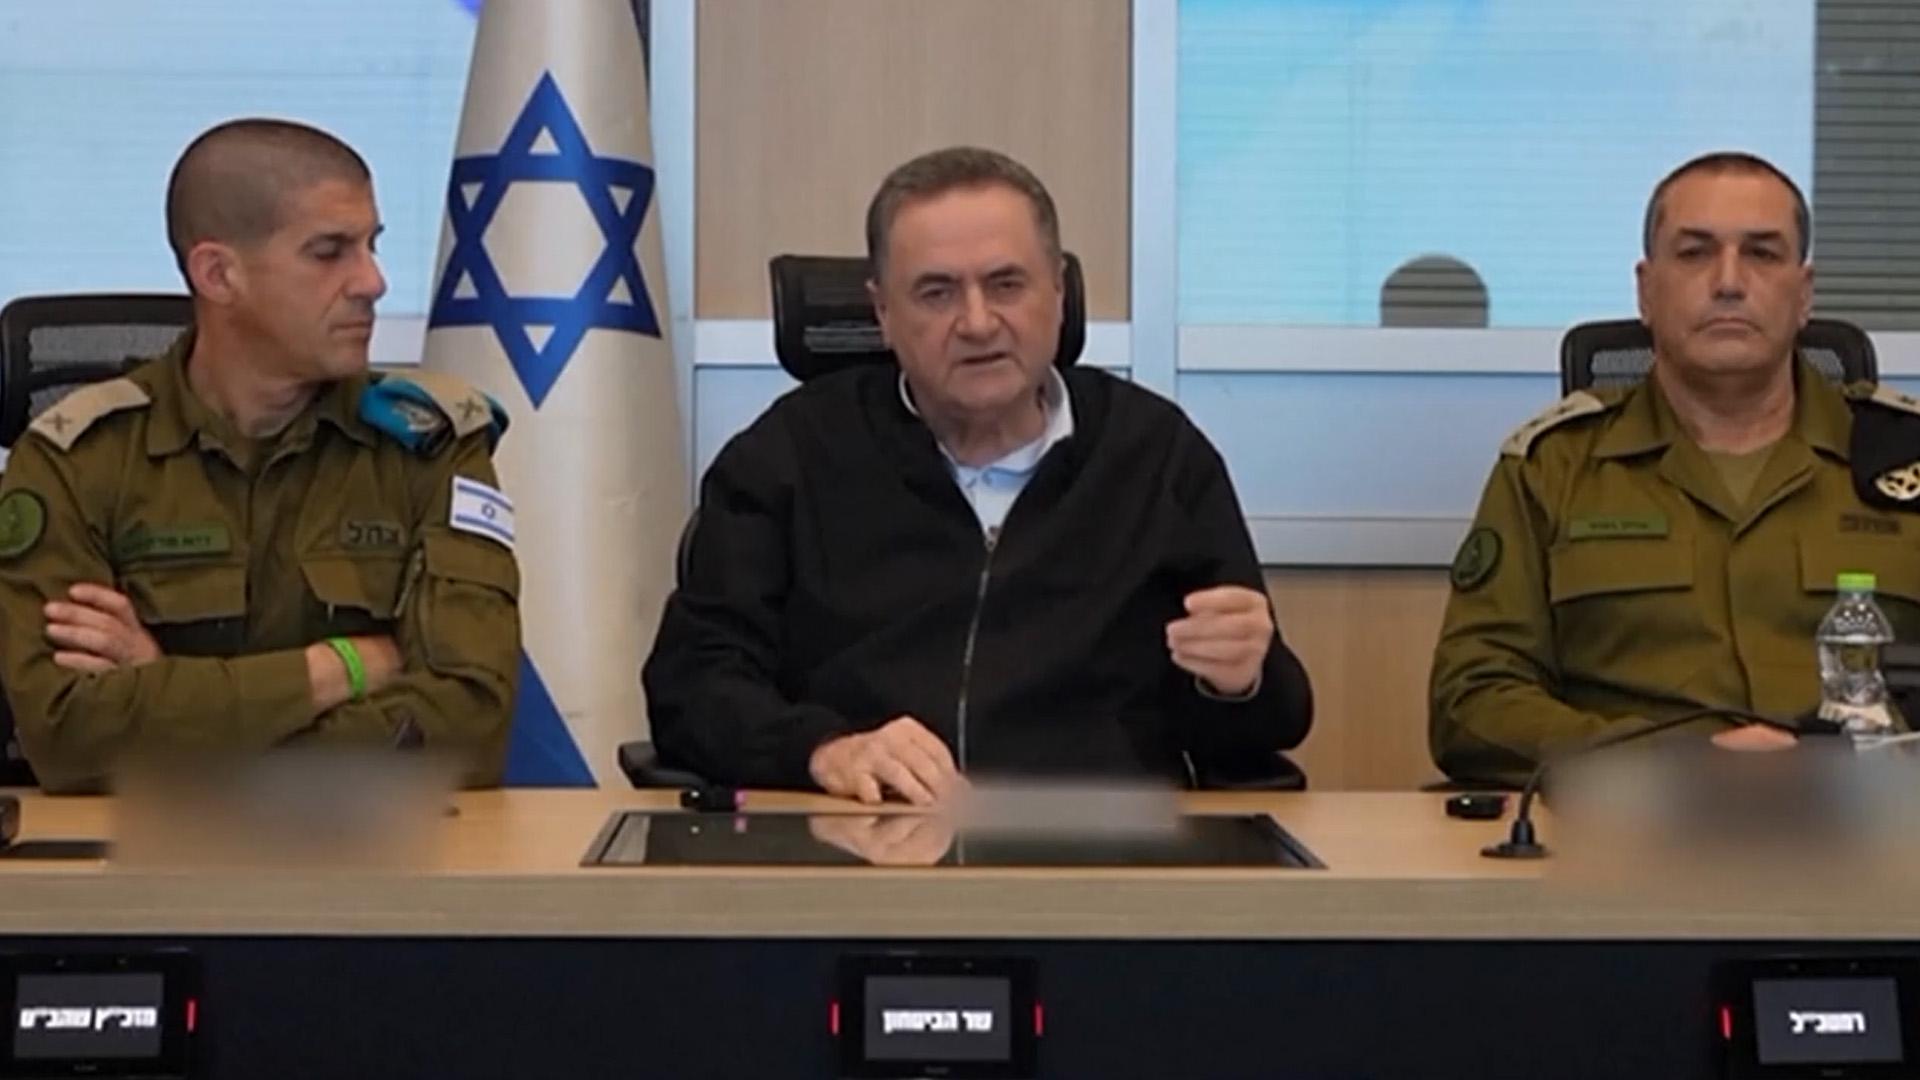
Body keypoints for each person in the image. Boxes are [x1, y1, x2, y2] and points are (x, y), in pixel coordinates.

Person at [644, 147, 1311, 804]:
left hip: (1101, 847)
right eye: (936, 293)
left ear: (1058, 291)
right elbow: (692, 684)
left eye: (1006, 284)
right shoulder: (789, 454)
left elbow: (1264, 726)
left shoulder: (1156, 454)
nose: (977, 322)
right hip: (862, 839)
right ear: (883, 312)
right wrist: (824, 750)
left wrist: (1239, 680)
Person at [0, 119, 521, 793]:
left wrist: (169, 703)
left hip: (376, 846)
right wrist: (344, 667)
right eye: (329, 252)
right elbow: (67, 736)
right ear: (219, 274)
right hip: (146, 850)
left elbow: (469, 727)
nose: (373, 281)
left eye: (372, 245)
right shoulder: (78, 460)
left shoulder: (429, 446)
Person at [1430, 151, 1920, 785]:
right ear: (1646, 290)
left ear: (1804, 295)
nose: (1728, 281)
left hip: (1866, 819)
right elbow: (1471, 699)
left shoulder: (1905, 461)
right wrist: (1666, 759)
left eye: (1762, 254)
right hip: (1632, 821)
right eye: (1694, 253)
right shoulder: (1554, 468)